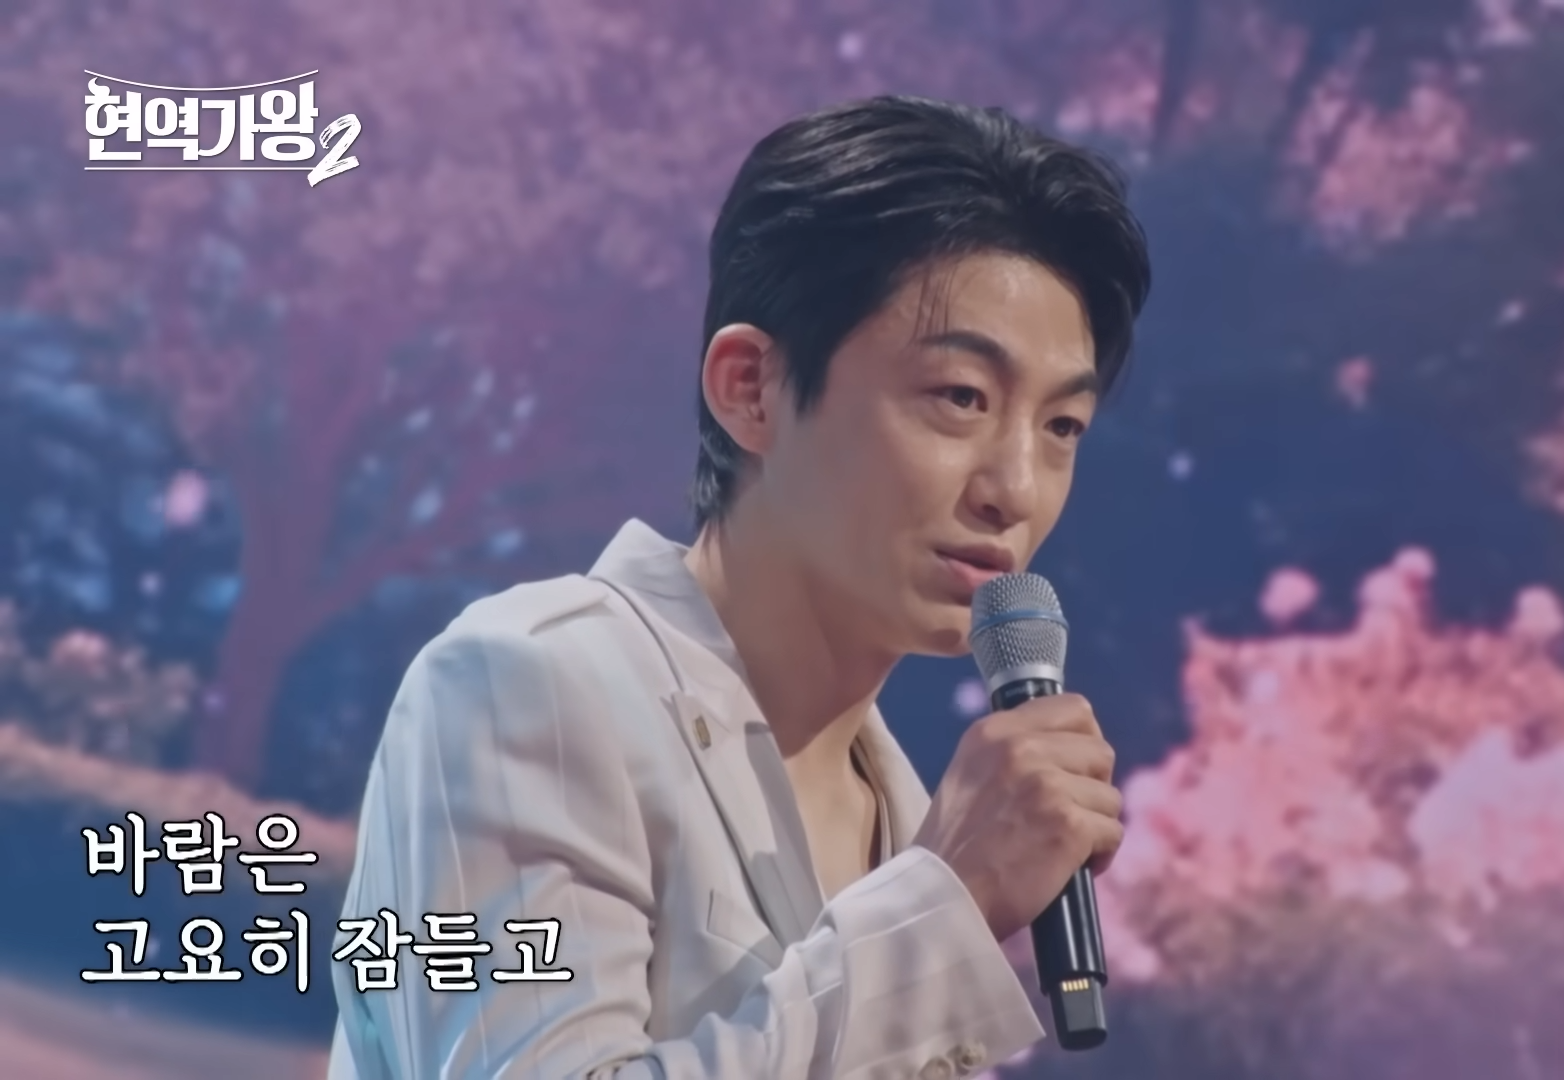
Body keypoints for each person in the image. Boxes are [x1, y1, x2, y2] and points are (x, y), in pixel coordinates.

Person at [326, 93, 1153, 1080]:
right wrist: (946, 910)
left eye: (1061, 427)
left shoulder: (906, 809)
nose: (1015, 488)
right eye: (960, 397)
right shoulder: (530, 684)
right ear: (750, 387)